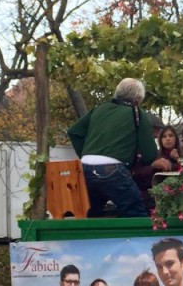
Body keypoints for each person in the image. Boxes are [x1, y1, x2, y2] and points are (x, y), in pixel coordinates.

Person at [68, 78, 171, 218]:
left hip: (85, 168)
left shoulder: (100, 108)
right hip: (113, 170)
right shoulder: (138, 114)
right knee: (136, 213)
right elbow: (149, 155)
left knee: (91, 214)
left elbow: (74, 132)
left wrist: (86, 154)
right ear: (138, 98)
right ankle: (138, 240)